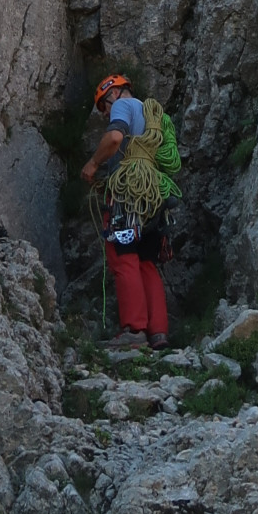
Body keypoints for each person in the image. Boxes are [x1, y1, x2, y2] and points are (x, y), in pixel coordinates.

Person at [81, 74, 171, 348]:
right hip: (153, 198)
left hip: (127, 198)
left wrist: (94, 164)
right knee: (146, 260)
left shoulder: (124, 106)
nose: (106, 113)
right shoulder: (152, 114)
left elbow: (115, 138)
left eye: (104, 106)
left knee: (123, 258)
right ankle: (158, 332)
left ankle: (134, 329)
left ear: (115, 93)